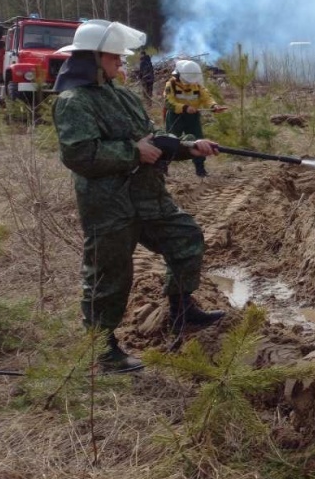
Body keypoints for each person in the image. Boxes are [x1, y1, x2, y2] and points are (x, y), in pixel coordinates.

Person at [51, 20, 225, 371]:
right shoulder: (73, 102)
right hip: (109, 204)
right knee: (108, 274)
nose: (120, 61)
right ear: (92, 57)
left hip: (147, 196)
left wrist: (189, 147)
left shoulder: (122, 96)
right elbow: (80, 154)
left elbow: (152, 137)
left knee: (186, 238)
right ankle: (102, 349)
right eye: (114, 56)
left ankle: (181, 312)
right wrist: (133, 152)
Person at [164, 60, 227, 178]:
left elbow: (206, 97)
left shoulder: (196, 85)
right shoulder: (170, 85)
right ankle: (163, 168)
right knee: (170, 141)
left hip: (192, 117)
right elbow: (168, 102)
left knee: (199, 141)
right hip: (175, 116)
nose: (189, 84)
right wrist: (184, 108)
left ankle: (200, 170)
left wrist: (214, 106)